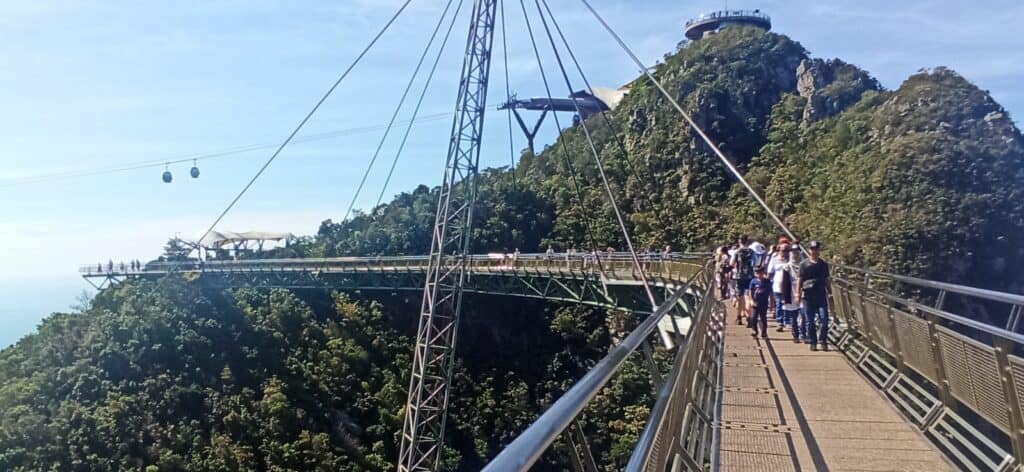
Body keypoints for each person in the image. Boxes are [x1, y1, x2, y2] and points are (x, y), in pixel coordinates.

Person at [796, 241, 832, 351]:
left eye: (816, 249)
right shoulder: (804, 264)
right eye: (812, 249)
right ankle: (813, 341)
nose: (814, 251)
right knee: (809, 321)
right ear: (809, 250)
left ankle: (823, 340)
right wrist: (797, 293)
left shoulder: (823, 265)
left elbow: (827, 279)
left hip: (821, 295)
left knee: (824, 319)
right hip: (808, 296)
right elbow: (800, 279)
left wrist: (830, 292)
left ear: (819, 250)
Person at [767, 245, 795, 331]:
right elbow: (769, 272)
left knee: (787, 304)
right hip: (777, 286)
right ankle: (780, 322)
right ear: (779, 251)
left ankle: (787, 321)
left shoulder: (791, 259)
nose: (784, 252)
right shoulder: (774, 259)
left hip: (789, 287)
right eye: (782, 250)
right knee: (779, 304)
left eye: (786, 251)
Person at [731, 235, 755, 325]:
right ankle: (749, 318)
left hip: (739, 277)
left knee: (739, 297)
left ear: (739, 241)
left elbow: (731, 263)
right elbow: (756, 263)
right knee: (748, 297)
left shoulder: (737, 252)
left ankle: (739, 317)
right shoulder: (752, 252)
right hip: (750, 276)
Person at [748, 267, 772, 339]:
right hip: (755, 303)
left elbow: (770, 293)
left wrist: (771, 303)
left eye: (760, 273)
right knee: (753, 317)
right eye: (757, 273)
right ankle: (754, 331)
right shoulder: (753, 281)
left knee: (763, 318)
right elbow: (750, 292)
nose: (758, 275)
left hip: (764, 303)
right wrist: (751, 300)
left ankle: (764, 332)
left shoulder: (767, 281)